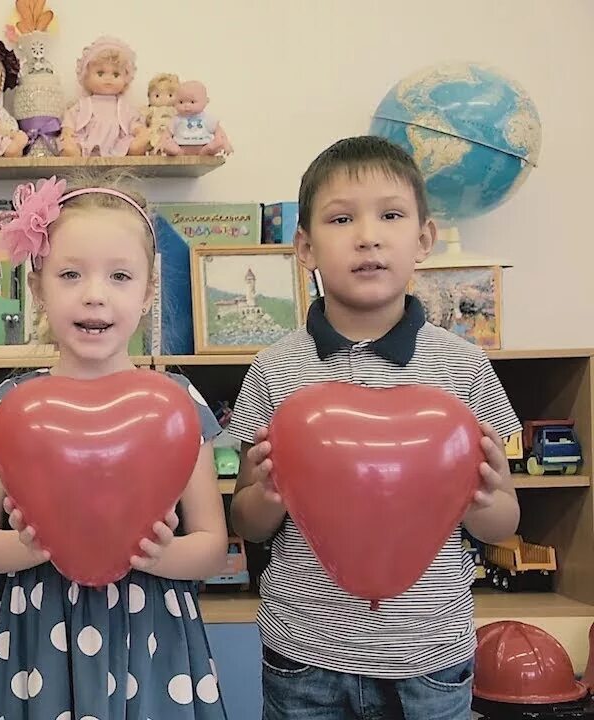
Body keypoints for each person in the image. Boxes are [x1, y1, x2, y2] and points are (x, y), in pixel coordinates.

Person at [227, 135, 522, 720]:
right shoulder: (277, 367)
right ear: (305, 248)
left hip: (430, 655)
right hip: (304, 652)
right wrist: (264, 493)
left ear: (423, 239)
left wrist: (482, 497)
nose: (368, 235)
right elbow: (249, 523)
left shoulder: (462, 366)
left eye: (391, 215)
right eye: (342, 219)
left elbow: (503, 521)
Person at [0, 171, 230, 719]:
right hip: (41, 631)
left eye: (120, 275)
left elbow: (211, 544)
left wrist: (159, 554)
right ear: (37, 287)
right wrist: (33, 546)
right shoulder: (11, 405)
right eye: (70, 274)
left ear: (150, 289)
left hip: (150, 628)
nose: (94, 295)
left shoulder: (176, 403)